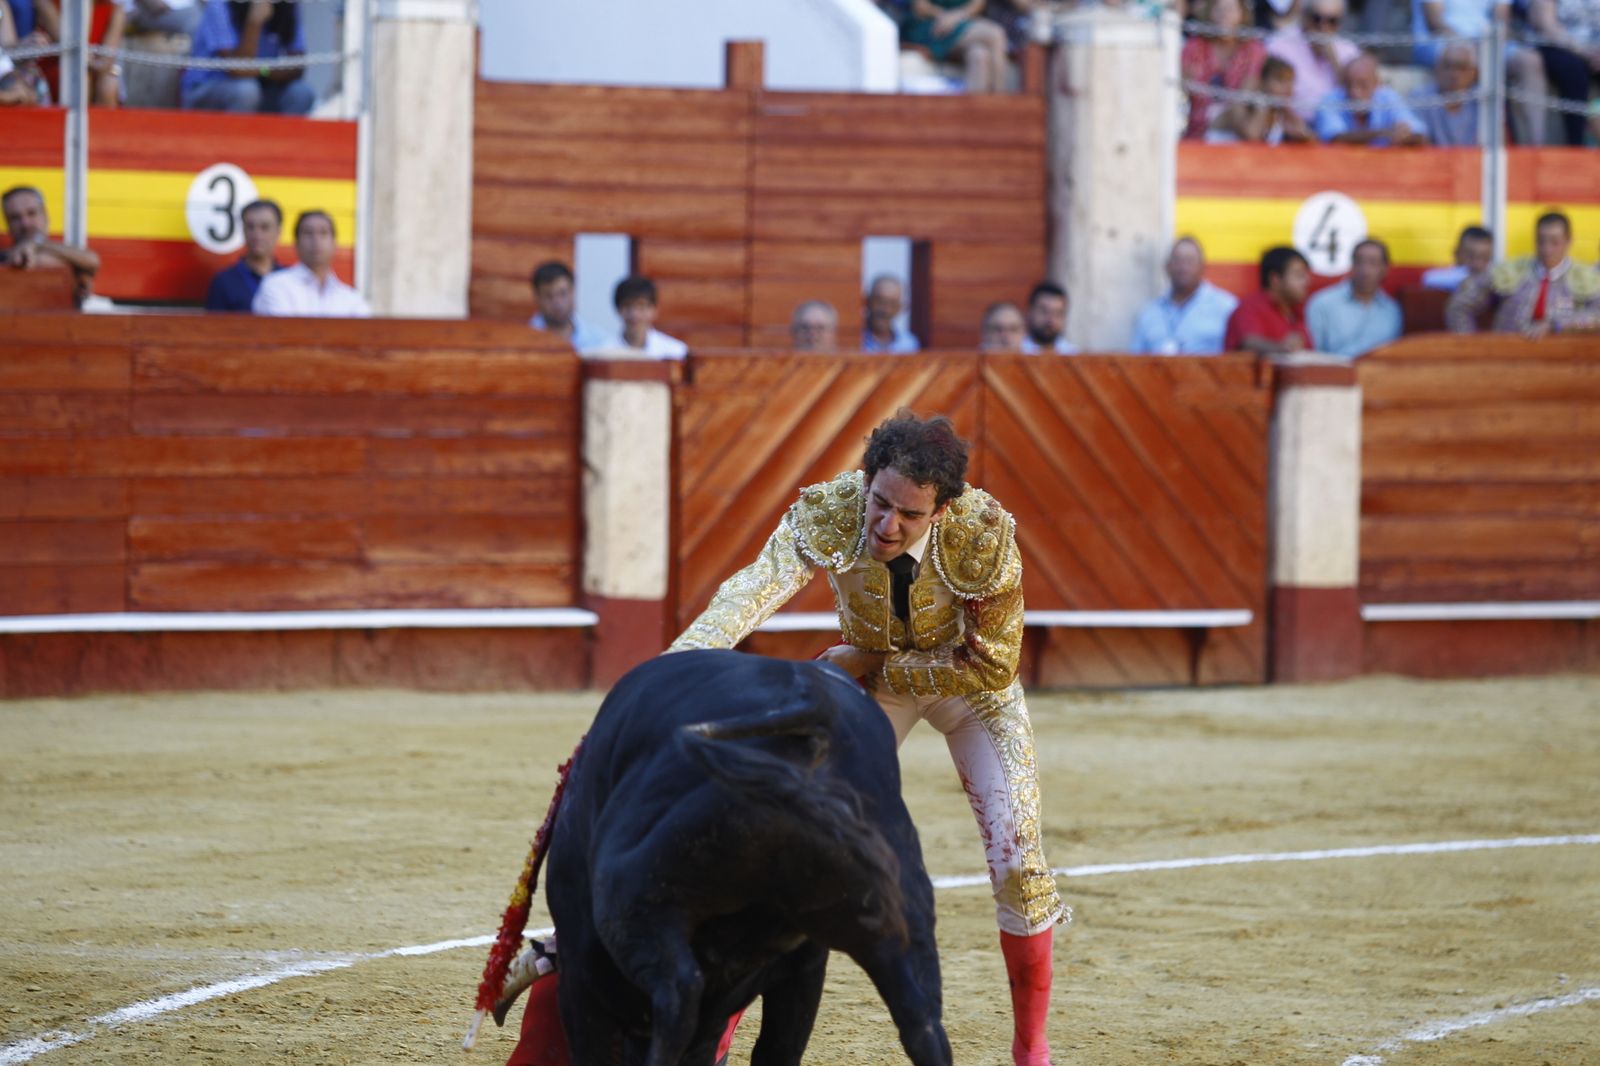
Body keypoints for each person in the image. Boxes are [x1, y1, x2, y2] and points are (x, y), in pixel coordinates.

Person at [671, 411, 1069, 1066]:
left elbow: (993, 664)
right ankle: (718, 1034)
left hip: (976, 698)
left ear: (942, 511)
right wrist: (678, 666)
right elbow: (750, 591)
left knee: (1019, 860)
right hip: (878, 697)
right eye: (879, 502)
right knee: (786, 844)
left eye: (908, 516)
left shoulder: (985, 531)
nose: (886, 526)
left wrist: (868, 661)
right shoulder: (833, 509)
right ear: (867, 480)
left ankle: (1031, 1046)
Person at [1447, 210, 1600, 336]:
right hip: (1506, 360)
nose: (1547, 249)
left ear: (1568, 241)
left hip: (1564, 363)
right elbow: (1459, 306)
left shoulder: (1587, 277)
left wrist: (1557, 325)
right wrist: (1469, 346)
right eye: (1541, 241)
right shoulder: (1510, 271)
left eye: (1554, 242)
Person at [181, 0, 313, 114]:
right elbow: (237, 69)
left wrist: (261, 70)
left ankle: (282, 143)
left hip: (261, 84)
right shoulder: (220, 4)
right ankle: (234, 143)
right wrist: (254, 22)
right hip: (208, 88)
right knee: (246, 90)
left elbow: (296, 67)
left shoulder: (286, 5)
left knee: (300, 93)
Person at [1130, 237, 1241, 354]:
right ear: (1167, 267)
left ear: (1202, 267)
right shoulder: (1149, 312)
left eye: (1190, 261)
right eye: (1177, 261)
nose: (1183, 268)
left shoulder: (1227, 307)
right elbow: (1133, 361)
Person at [251, 209, 369, 317]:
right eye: (308, 233)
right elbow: (283, 335)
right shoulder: (276, 286)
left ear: (334, 243)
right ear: (296, 243)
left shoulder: (351, 298)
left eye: (323, 233)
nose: (316, 240)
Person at [1181, 0, 1267, 139]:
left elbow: (1244, 95)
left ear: (1242, 14)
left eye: (1230, 9)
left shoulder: (1254, 50)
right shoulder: (1194, 47)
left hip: (1237, 123)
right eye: (1218, 8)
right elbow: (1184, 90)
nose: (1224, 15)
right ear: (1209, 12)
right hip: (1196, 126)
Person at [1, 184, 101, 302]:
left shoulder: (72, 257)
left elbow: (92, 260)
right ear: (7, 223)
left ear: (45, 215)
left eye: (32, 213)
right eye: (15, 218)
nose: (25, 223)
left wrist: (36, 245)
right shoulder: (4, 257)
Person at [1305, 238, 1403, 356]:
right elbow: (1311, 356)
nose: (1365, 270)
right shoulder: (1322, 303)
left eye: (1373, 263)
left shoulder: (1392, 311)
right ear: (1351, 265)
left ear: (1385, 269)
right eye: (1359, 262)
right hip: (1333, 372)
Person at [1267, 0, 1360, 118]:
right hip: (1292, 128)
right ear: (1304, 16)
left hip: (1338, 129)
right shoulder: (1280, 44)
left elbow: (1358, 99)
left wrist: (1333, 60)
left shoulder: (1349, 51)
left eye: (1332, 21)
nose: (1324, 27)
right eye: (1317, 19)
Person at [1528, 0, 1600, 147]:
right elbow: (1545, 23)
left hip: (1595, 51)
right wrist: (1583, 51)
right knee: (1573, 70)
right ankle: (1576, 146)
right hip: (1561, 46)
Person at [1315, 52, 1429, 145]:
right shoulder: (1330, 100)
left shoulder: (1388, 97)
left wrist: (1406, 135)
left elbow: (1420, 135)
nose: (1354, 92)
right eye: (1349, 84)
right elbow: (1335, 138)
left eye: (1363, 85)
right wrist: (1383, 134)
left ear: (1376, 83)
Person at [903, 0, 1011, 93]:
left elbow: (978, 4)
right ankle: (1000, 99)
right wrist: (945, 15)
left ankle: (976, 112)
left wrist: (957, 16)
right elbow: (920, 7)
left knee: (979, 55)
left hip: (961, 21)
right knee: (996, 34)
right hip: (932, 25)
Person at [1223, 245, 1311, 353]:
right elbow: (1248, 343)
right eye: (1299, 275)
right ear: (1275, 279)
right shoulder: (1249, 307)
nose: (1306, 282)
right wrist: (1282, 348)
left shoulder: (1298, 312)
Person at [1210, 56, 1316, 142]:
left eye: (1290, 81)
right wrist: (1263, 108)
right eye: (1280, 80)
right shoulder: (1239, 105)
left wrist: (1290, 114)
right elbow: (1251, 137)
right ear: (1261, 82)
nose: (1288, 87)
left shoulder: (1280, 111)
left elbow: (1309, 139)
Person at [204, 198, 284, 312]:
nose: (257, 234)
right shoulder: (224, 282)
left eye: (265, 227)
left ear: (278, 232)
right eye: (250, 227)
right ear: (243, 230)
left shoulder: (290, 279)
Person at [596, 275, 688, 359]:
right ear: (618, 309)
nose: (635, 314)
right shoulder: (603, 354)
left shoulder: (675, 352)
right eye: (628, 306)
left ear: (654, 309)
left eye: (642, 306)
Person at [1411, 41, 1482, 146]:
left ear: (1474, 72)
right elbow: (1418, 143)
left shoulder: (1483, 101)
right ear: (1436, 68)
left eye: (1461, 67)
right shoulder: (1420, 98)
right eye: (1448, 66)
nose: (1454, 74)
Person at [528, 260, 605, 351]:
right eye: (548, 296)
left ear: (573, 291)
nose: (556, 302)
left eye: (562, 293)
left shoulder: (598, 341)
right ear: (537, 297)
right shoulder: (525, 341)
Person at [1421, 224, 1494, 291]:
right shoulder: (1450, 276)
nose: (1477, 264)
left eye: (1484, 258)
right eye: (1471, 257)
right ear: (1457, 253)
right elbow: (1428, 278)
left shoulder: (1493, 278)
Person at [862, 274, 921, 353]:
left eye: (893, 304)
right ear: (867, 301)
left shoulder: (909, 344)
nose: (885, 310)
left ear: (900, 307)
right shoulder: (854, 341)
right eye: (879, 301)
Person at [1020, 280, 1078, 353]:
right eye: (1044, 311)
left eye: (1057, 313)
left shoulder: (1073, 355)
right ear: (1030, 312)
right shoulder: (1017, 351)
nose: (1050, 320)